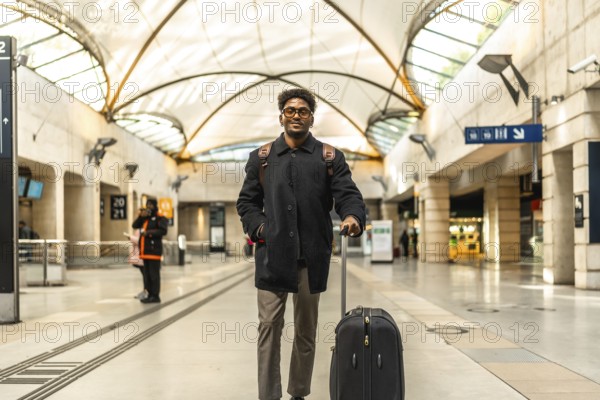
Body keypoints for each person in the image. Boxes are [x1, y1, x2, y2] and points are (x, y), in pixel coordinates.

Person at [236, 88, 366, 400]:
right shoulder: (262, 158)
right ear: (281, 117)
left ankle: (298, 393)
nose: (297, 115)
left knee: (306, 331)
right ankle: (268, 395)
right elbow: (247, 203)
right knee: (268, 328)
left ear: (311, 118)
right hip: (271, 258)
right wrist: (263, 228)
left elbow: (348, 193)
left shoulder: (329, 157)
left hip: (311, 257)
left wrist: (352, 216)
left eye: (303, 111)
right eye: (291, 110)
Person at [132, 199, 168, 304]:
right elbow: (134, 225)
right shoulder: (145, 218)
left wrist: (148, 233)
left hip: (154, 251)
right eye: (147, 205)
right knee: (147, 275)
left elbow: (163, 231)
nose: (149, 207)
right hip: (145, 252)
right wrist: (140, 216)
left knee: (154, 275)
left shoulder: (160, 217)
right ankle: (149, 294)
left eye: (151, 205)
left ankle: (155, 296)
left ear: (155, 206)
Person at [127, 229, 148, 300]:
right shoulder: (139, 229)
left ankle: (146, 291)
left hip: (142, 256)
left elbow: (141, 241)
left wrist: (131, 238)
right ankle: (145, 291)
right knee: (145, 275)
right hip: (139, 256)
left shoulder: (143, 229)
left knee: (146, 275)